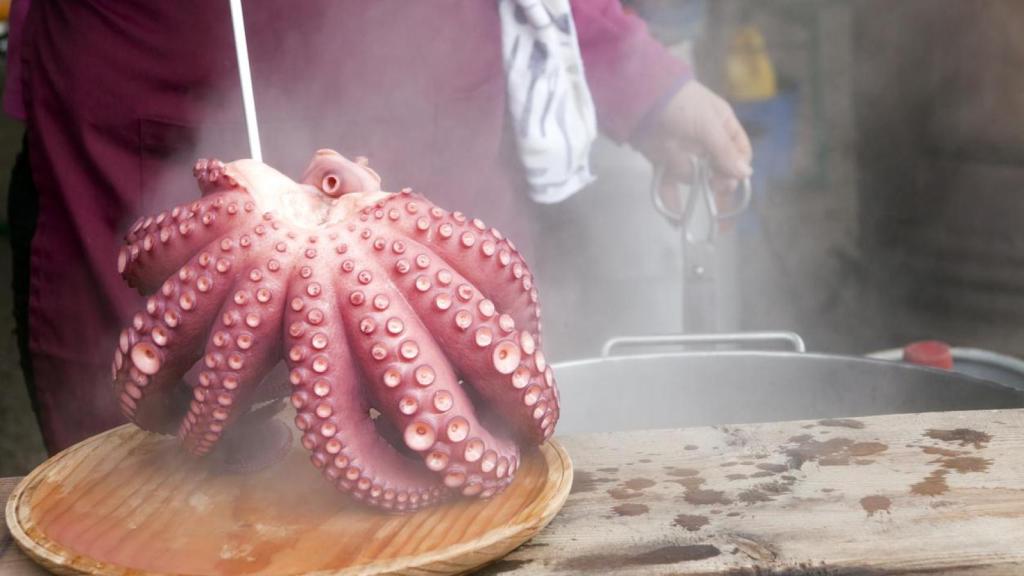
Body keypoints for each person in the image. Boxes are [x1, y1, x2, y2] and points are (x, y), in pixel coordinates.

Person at [5, 0, 751, 453]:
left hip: (439, 104)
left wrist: (622, 67)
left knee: (454, 486)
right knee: (161, 498)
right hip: (160, 101)